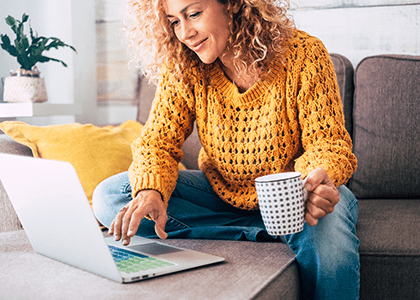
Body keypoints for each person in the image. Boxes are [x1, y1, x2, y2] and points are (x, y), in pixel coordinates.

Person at [92, 0, 360, 299]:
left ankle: (283, 227)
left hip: (294, 198)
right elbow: (157, 143)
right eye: (173, 22)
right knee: (111, 196)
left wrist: (312, 183)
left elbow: (328, 144)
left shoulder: (303, 54)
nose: (185, 33)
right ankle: (264, 232)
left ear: (233, 4)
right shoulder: (184, 64)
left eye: (193, 14)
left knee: (328, 230)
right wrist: (150, 191)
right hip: (223, 194)